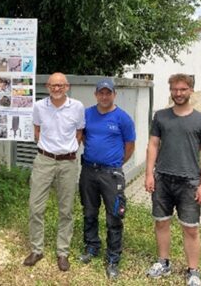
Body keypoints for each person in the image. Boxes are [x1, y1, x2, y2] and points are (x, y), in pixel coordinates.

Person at [145, 74, 201, 286]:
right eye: (175, 89)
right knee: (161, 223)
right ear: (170, 90)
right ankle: (163, 262)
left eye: (183, 89)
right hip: (162, 179)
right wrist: (149, 174)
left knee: (191, 229)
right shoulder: (161, 116)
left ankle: (193, 271)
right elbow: (153, 145)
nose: (178, 93)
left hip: (189, 182)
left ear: (191, 90)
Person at [23, 72, 85, 271]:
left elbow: (79, 133)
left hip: (68, 163)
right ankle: (36, 249)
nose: (56, 89)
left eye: (60, 86)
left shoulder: (77, 107)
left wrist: (68, 150)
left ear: (67, 87)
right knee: (35, 206)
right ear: (48, 87)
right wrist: (48, 149)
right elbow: (37, 130)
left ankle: (63, 252)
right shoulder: (39, 107)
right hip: (44, 160)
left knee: (66, 209)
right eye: (52, 86)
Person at [78, 79, 136, 279]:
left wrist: (116, 162)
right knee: (89, 211)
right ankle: (92, 246)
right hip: (88, 170)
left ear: (114, 95)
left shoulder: (123, 118)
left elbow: (130, 145)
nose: (104, 96)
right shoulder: (87, 114)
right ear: (96, 94)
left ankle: (113, 258)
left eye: (108, 93)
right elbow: (84, 136)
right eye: (101, 93)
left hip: (111, 173)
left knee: (114, 215)